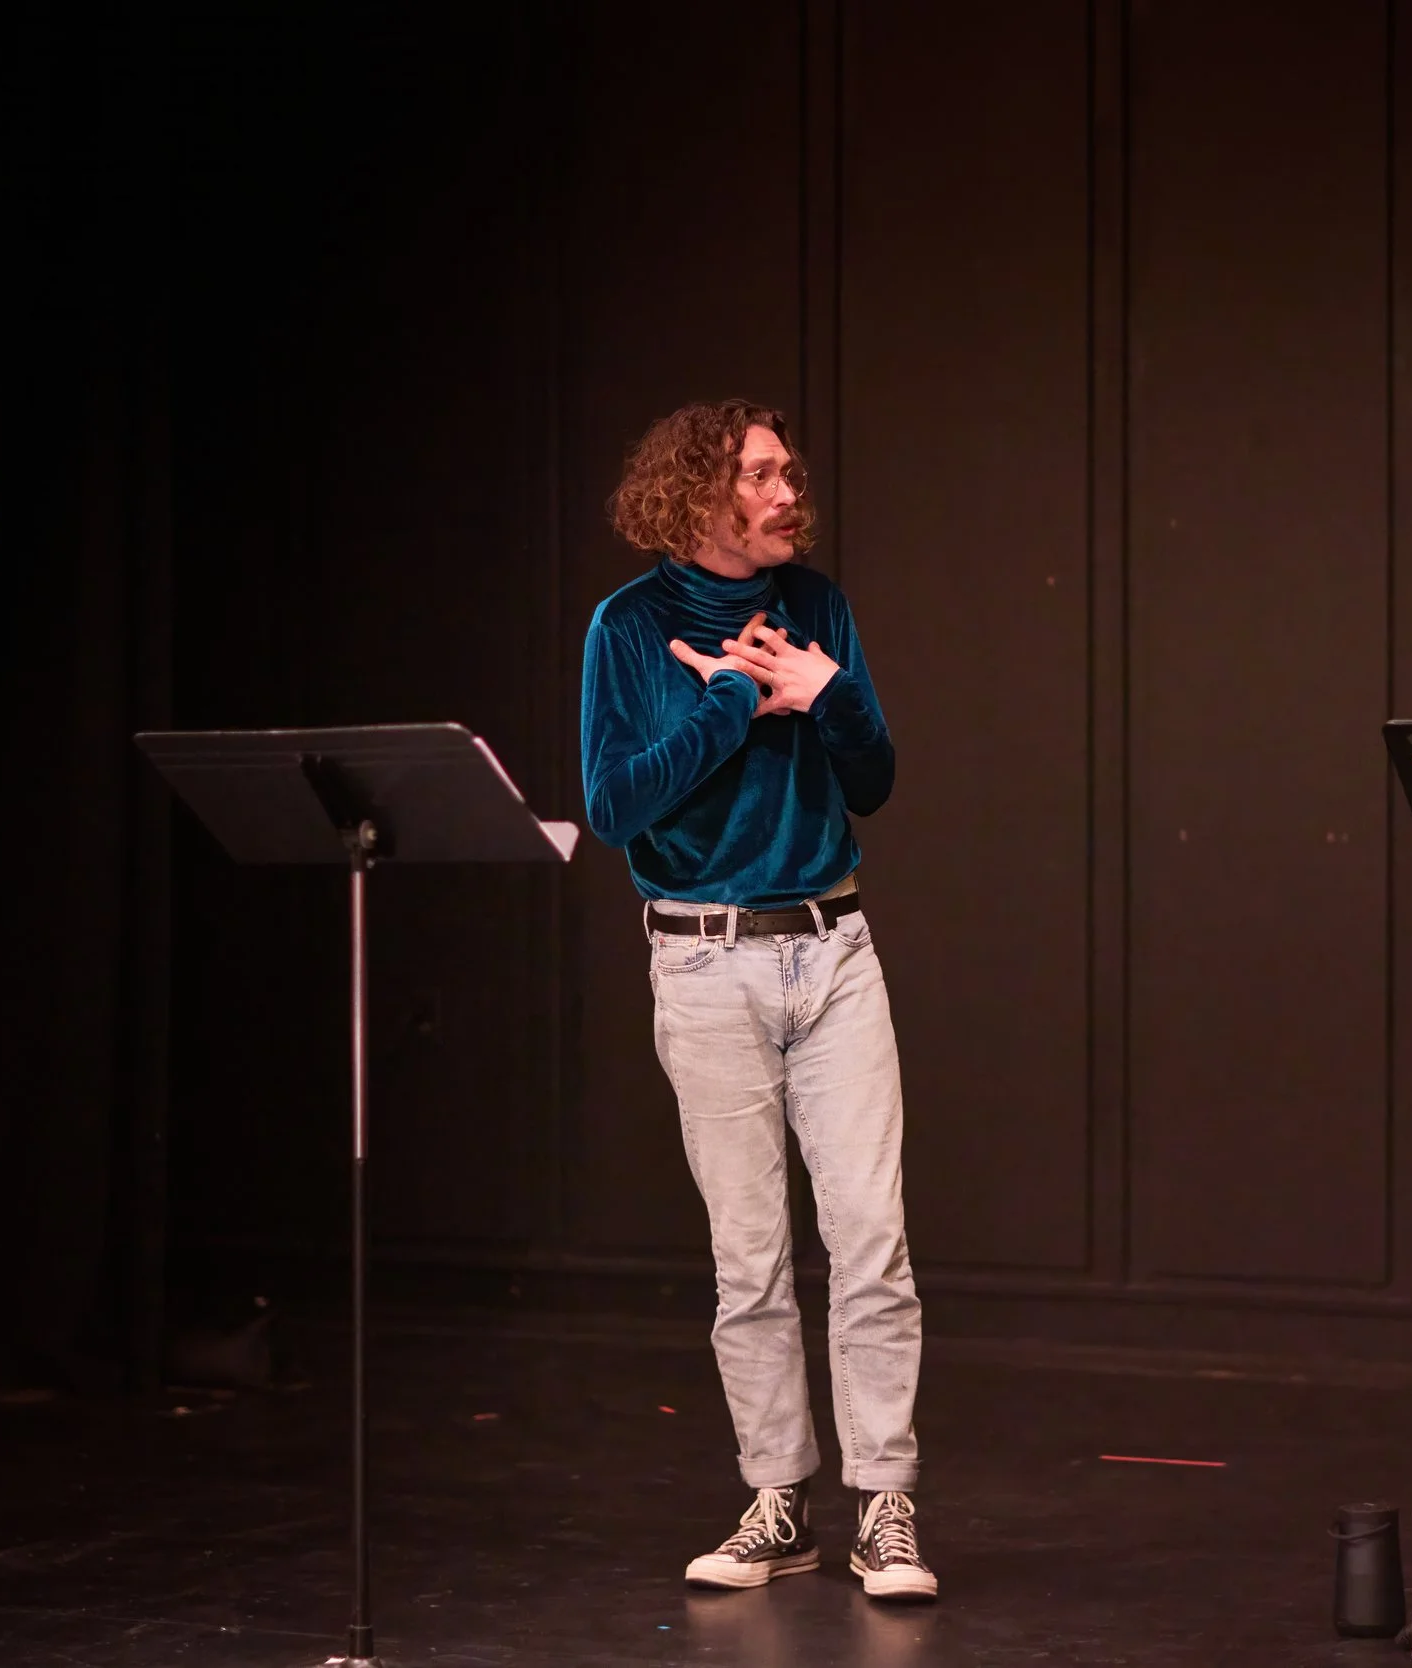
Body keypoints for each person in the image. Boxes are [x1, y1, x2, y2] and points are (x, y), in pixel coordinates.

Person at [579, 399, 935, 1601]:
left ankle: (884, 1503)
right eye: (763, 475)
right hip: (703, 960)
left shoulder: (817, 606)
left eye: (790, 473)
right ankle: (777, 1499)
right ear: (697, 494)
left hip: (832, 949)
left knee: (872, 1242)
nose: (790, 493)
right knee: (751, 1260)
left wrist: (830, 695)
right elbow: (615, 806)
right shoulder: (629, 627)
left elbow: (873, 781)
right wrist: (733, 698)